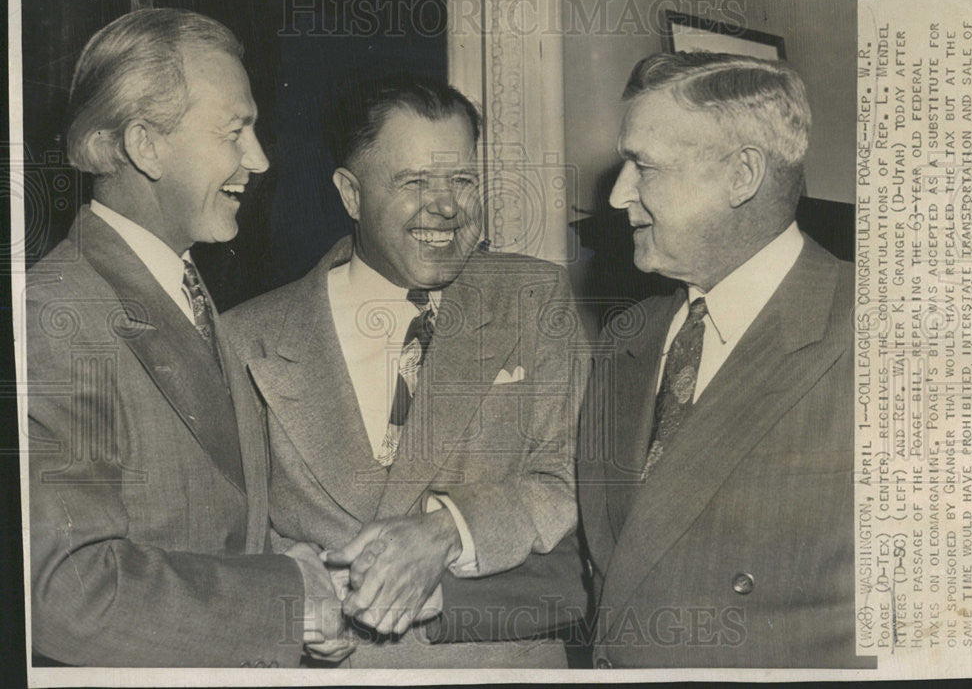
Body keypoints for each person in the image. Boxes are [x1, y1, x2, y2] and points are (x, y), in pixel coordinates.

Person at [26, 8, 351, 667]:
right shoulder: (53, 317)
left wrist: (279, 565)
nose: (258, 161)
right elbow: (63, 593)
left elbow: (204, 524)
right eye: (236, 130)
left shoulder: (187, 291)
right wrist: (285, 598)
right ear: (146, 146)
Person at [225, 76, 587, 667]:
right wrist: (296, 589)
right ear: (350, 193)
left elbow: (571, 479)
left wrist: (447, 529)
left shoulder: (532, 296)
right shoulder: (249, 335)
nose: (447, 207)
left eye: (463, 181)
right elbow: (230, 524)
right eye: (415, 181)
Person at [578, 52, 871, 668]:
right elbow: (618, 566)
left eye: (644, 166)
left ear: (742, 176)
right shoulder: (627, 336)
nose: (616, 194)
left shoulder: (881, 336)